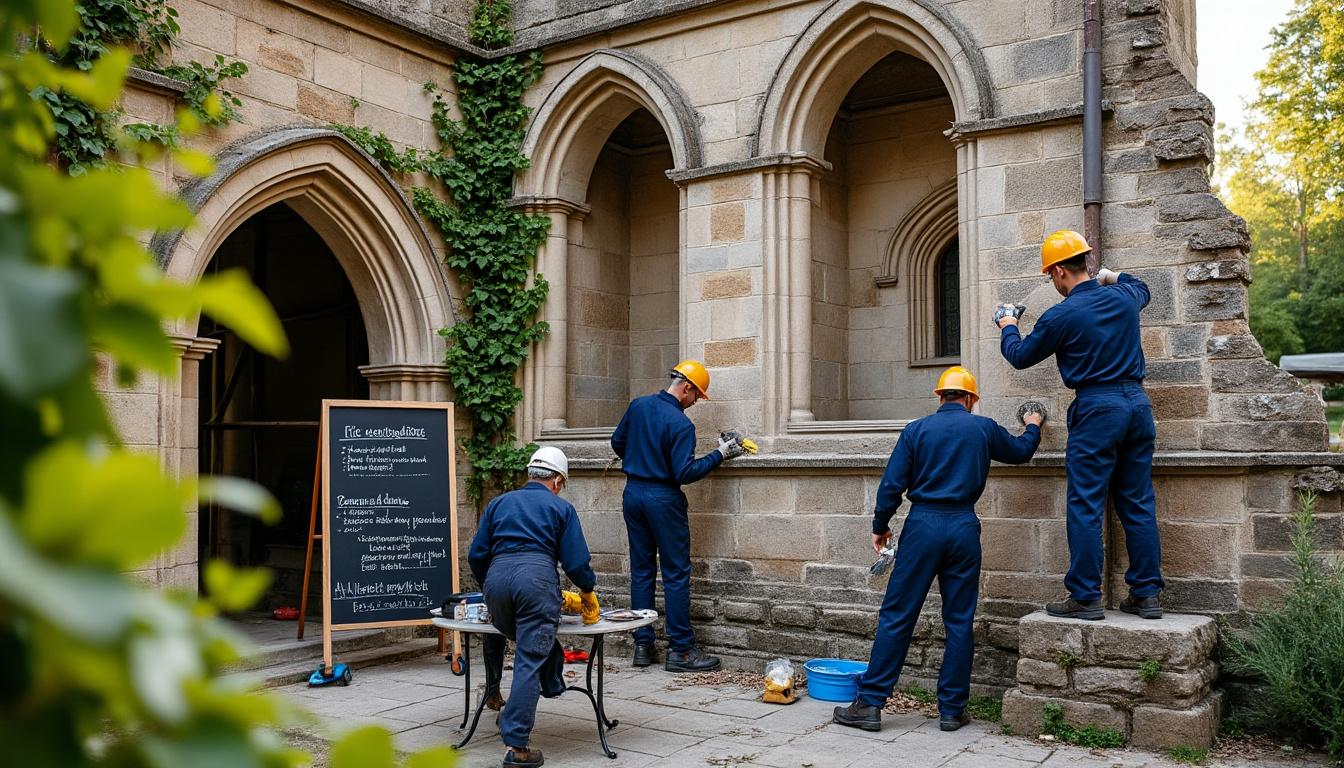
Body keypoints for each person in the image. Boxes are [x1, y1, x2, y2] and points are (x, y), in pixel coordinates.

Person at [833, 367, 1042, 733]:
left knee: (898, 614)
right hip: (963, 526)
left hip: (922, 526)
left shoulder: (917, 430)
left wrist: (880, 526)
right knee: (959, 620)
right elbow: (1022, 451)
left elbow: (891, 485)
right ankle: (951, 710)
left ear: (939, 396)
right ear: (970, 399)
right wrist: (1033, 423)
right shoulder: (984, 428)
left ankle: (869, 704)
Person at [995, 229, 1164, 621]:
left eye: (1049, 276)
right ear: (1085, 263)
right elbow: (1142, 287)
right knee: (1137, 501)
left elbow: (1019, 356)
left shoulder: (1061, 314)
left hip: (1097, 408)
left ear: (1057, 272)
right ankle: (1146, 594)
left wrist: (1007, 323)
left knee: (1086, 503)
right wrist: (1106, 274)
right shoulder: (1125, 297)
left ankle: (1086, 596)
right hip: (1138, 405)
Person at [610, 359, 747, 672]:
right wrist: (720, 454)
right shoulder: (681, 424)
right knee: (675, 573)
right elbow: (685, 472)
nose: (696, 401)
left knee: (642, 571)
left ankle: (643, 646)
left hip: (633, 494)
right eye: (696, 395)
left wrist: (640, 459)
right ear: (686, 387)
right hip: (663, 500)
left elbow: (618, 442)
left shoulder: (639, 406)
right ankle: (681, 652)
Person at [467, 446, 600, 768]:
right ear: (557, 480)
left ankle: (534, 696)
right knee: (529, 657)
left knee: (536, 646)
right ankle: (517, 747)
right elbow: (576, 561)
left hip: (496, 582)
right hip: (536, 582)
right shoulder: (560, 508)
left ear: (531, 474)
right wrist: (587, 590)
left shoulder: (498, 503)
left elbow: (476, 554)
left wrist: (490, 586)